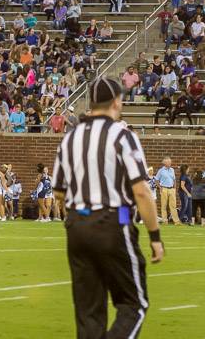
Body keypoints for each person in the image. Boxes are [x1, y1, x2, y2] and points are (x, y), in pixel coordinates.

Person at [52, 76, 164, 339]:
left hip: (77, 224)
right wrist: (155, 237)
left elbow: (58, 191)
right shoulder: (122, 136)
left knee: (89, 314)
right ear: (116, 101)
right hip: (115, 220)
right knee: (134, 304)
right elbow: (141, 191)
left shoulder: (70, 138)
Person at [154, 158, 179, 225]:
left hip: (171, 189)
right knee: (164, 206)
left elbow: (174, 179)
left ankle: (176, 221)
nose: (170, 163)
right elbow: (156, 180)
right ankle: (165, 221)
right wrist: (160, 188)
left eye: (170, 162)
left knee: (173, 206)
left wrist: (175, 188)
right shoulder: (161, 171)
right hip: (164, 189)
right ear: (165, 163)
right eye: (168, 162)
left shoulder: (172, 170)